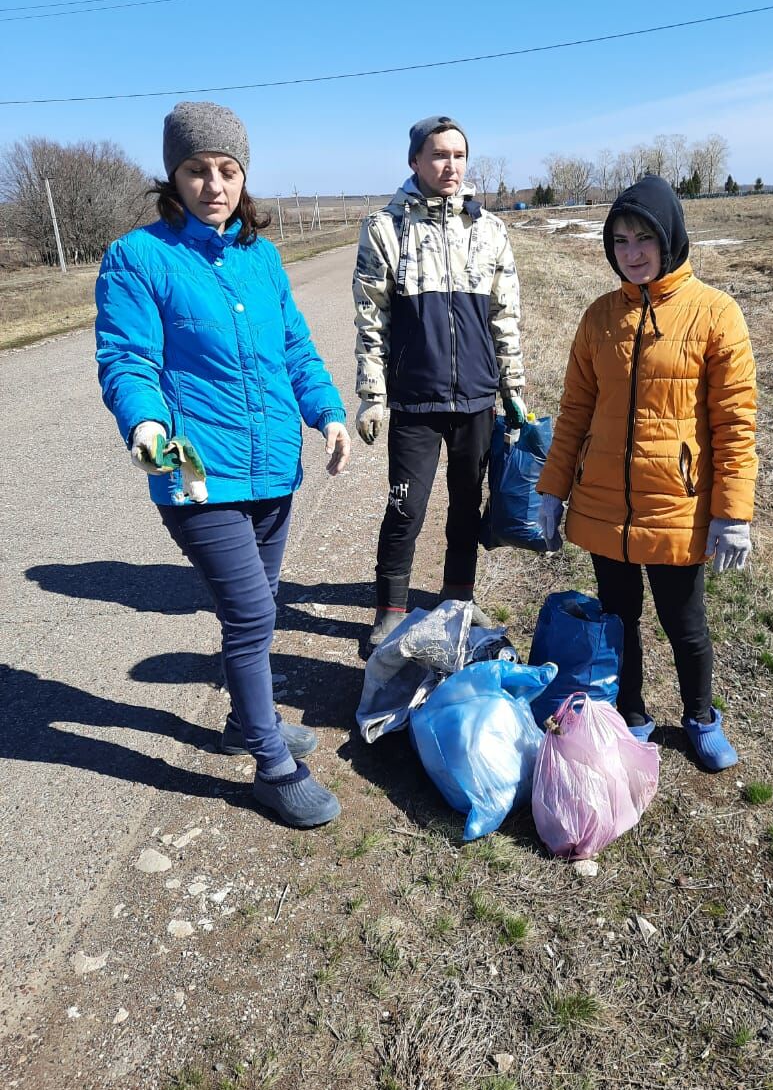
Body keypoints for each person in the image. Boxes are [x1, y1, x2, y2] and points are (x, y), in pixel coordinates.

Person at [95, 101, 351, 827]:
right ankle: (272, 766)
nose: (215, 184)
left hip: (274, 466)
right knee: (249, 613)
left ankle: (246, 719)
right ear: (173, 176)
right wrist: (144, 421)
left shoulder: (259, 256)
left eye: (228, 170)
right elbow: (128, 358)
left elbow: (295, 348)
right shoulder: (138, 258)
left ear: (244, 177)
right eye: (198, 170)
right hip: (197, 473)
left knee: (257, 613)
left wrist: (326, 411)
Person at [536, 176, 757, 771]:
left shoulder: (715, 314)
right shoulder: (599, 317)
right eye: (620, 239)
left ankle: (700, 718)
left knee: (685, 624)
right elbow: (575, 411)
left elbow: (736, 422)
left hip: (677, 503)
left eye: (644, 238)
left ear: (670, 238)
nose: (632, 252)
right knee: (619, 619)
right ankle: (630, 713)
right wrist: (552, 490)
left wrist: (732, 512)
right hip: (605, 503)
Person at [352, 115, 526, 653]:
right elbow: (370, 320)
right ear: (415, 163)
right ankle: (391, 608)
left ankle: (457, 600)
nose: (450, 165)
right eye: (438, 155)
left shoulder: (490, 230)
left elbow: (505, 317)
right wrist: (372, 396)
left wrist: (513, 389)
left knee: (465, 505)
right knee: (406, 506)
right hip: (415, 398)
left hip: (476, 396)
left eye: (458, 155)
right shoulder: (385, 228)